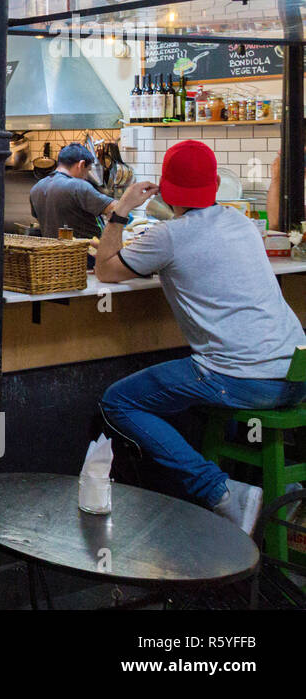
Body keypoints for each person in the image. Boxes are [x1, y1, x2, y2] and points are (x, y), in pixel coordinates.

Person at [97, 140, 306, 533]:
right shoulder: (241, 223)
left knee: (117, 402)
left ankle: (223, 493)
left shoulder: (168, 236)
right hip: (296, 377)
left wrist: (122, 209)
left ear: (166, 188)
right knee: (209, 392)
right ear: (213, 185)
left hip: (241, 379)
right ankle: (279, 488)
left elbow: (106, 270)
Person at [29, 144, 118, 241]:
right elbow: (115, 208)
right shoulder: (78, 186)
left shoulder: (36, 188)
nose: (86, 177)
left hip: (53, 252)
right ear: (81, 164)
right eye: (88, 170)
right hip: (84, 252)